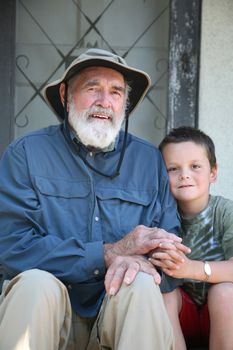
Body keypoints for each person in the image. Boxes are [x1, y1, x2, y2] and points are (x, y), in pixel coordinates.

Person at [0, 48, 189, 350]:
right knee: (34, 284)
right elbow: (11, 245)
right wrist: (107, 253)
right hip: (48, 309)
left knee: (140, 285)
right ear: (65, 95)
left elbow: (169, 245)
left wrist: (149, 258)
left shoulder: (147, 160)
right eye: (93, 88)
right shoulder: (26, 154)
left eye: (115, 92)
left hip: (116, 310)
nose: (105, 101)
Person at [150, 126, 233, 350]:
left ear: (213, 172)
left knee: (226, 292)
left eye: (195, 166)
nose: (184, 174)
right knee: (164, 294)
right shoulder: (158, 217)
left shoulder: (225, 212)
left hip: (223, 316)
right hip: (180, 314)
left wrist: (191, 269)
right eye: (173, 168)